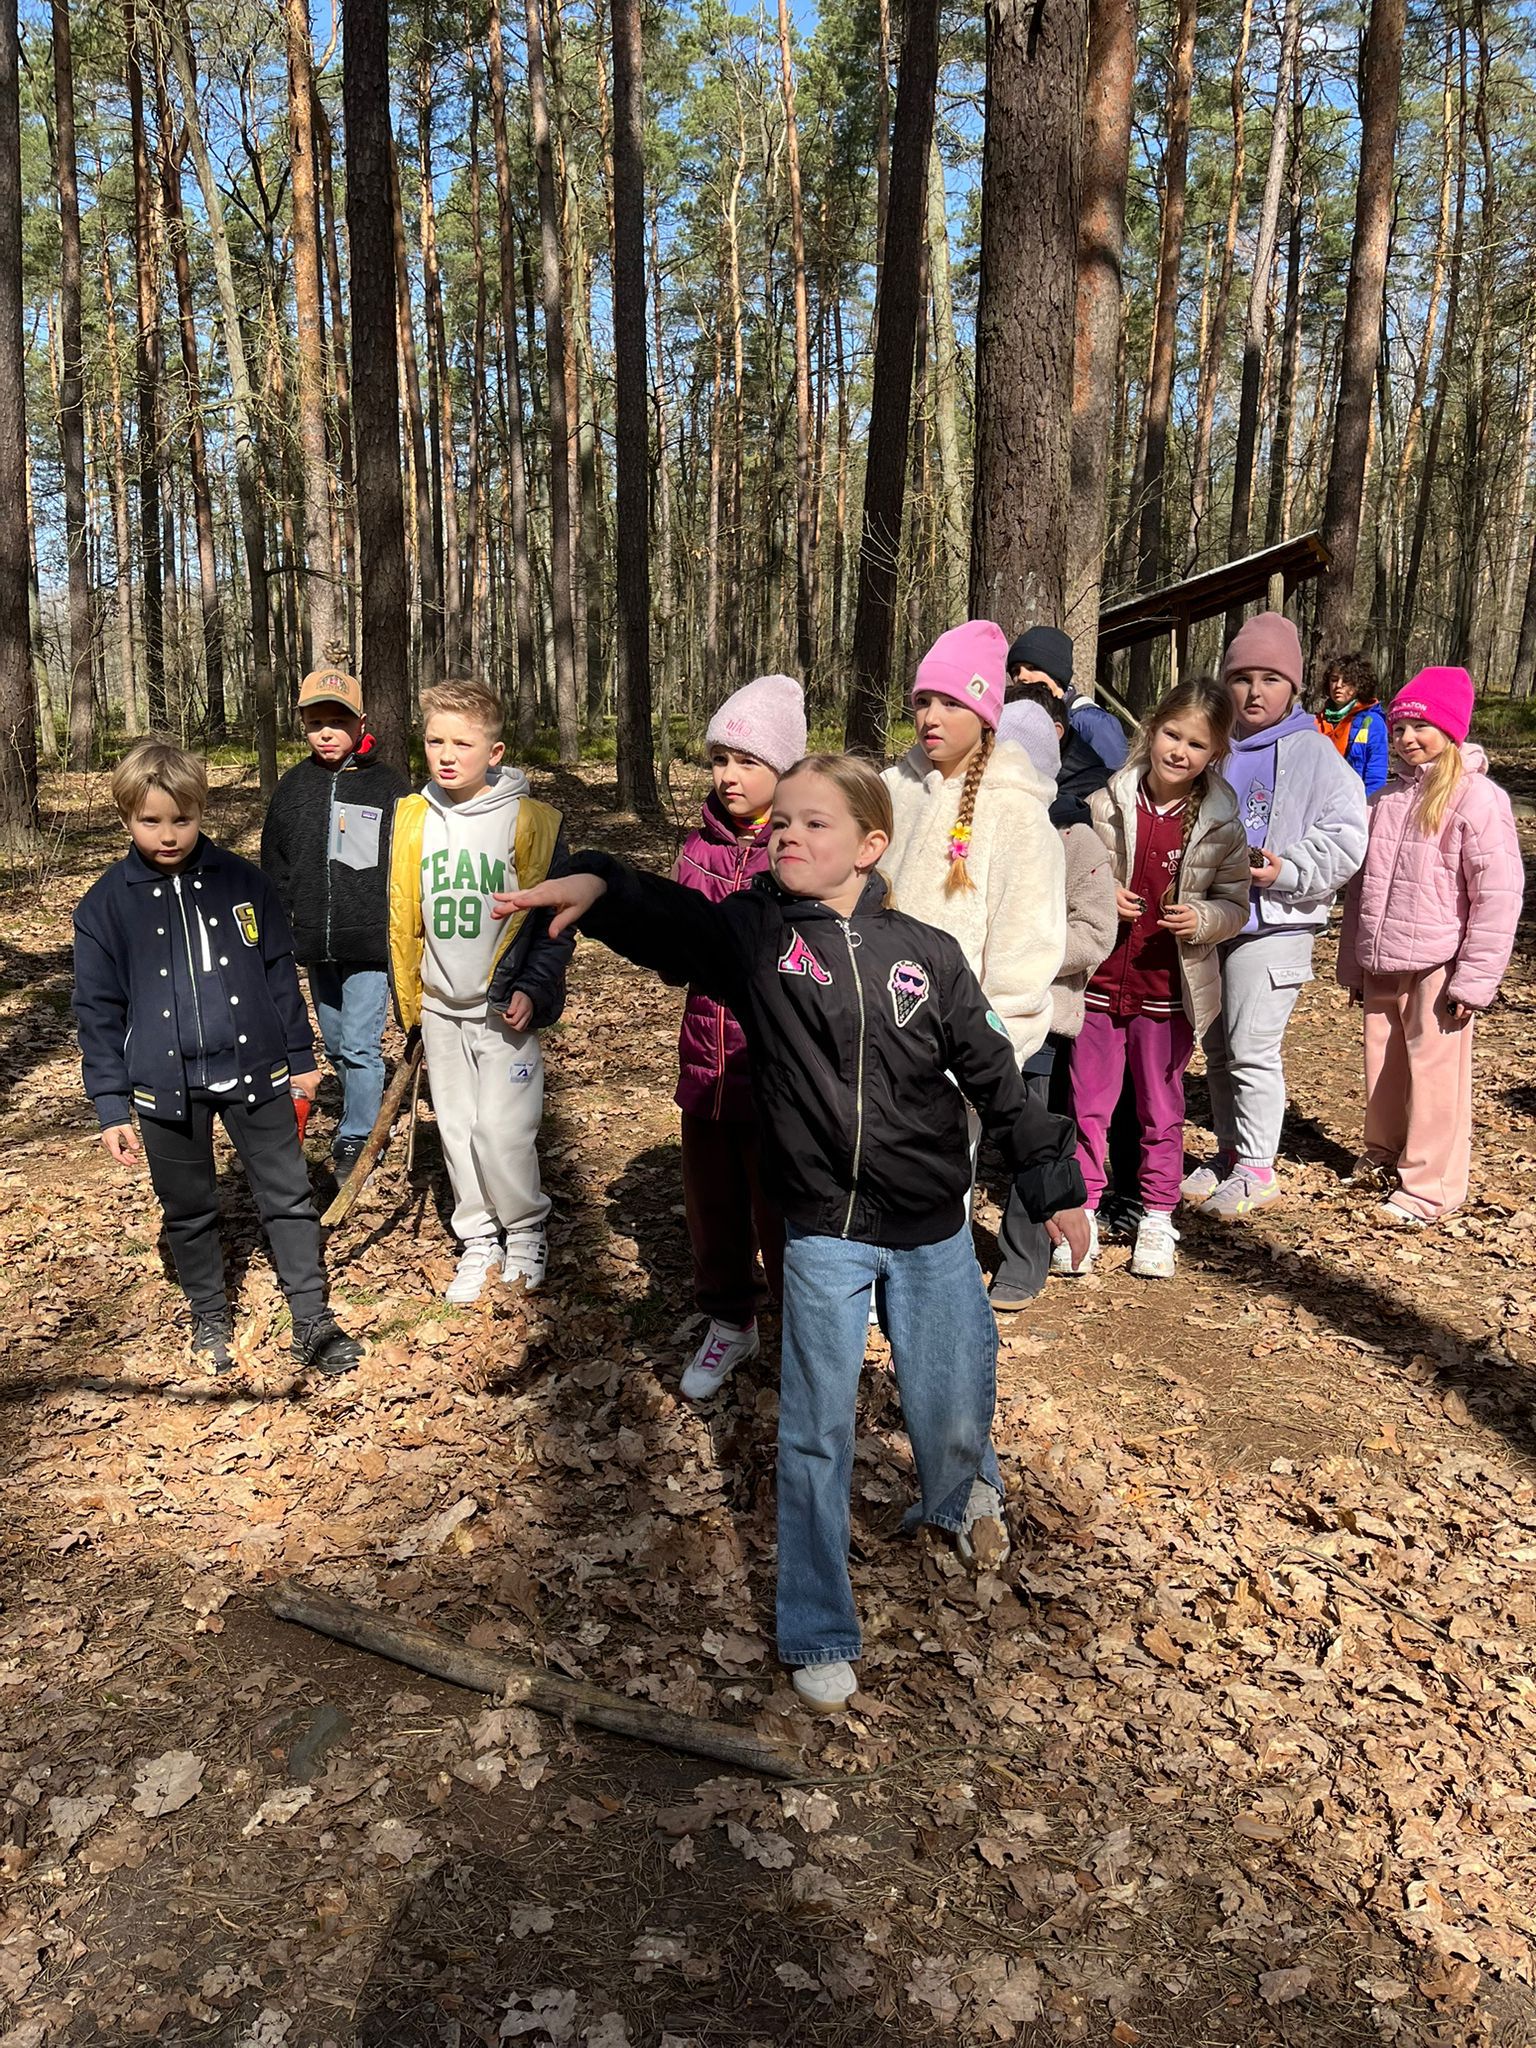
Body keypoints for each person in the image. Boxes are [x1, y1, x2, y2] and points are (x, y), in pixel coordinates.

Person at [498, 754, 1090, 1716]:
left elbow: (993, 1072)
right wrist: (602, 884)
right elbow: (675, 920)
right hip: (820, 1232)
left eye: (816, 824)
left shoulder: (927, 952)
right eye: (783, 824)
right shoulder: (754, 934)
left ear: (870, 845)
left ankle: (958, 1494)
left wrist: (1053, 1182)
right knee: (816, 1433)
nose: (788, 837)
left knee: (951, 1400)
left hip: (932, 1230)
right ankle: (817, 1626)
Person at [72, 739, 362, 1376]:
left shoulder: (243, 881)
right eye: (150, 821)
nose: (168, 834)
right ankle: (209, 1316)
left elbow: (279, 971)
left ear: (201, 811)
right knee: (188, 1207)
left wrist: (300, 1055)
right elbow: (97, 1009)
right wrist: (111, 1104)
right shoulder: (105, 905)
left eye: (182, 819)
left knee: (288, 1195)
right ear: (126, 817)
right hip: (163, 1084)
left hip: (256, 1069)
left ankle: (311, 1318)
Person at [387, 680, 572, 1304]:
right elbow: (402, 912)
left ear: (494, 752)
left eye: (462, 744)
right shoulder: (414, 818)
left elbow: (554, 923)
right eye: (434, 740)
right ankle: (478, 1238)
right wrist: (411, 998)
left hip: (503, 1008)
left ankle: (525, 1231)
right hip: (440, 1006)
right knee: (458, 1128)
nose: (446, 755)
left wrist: (536, 989)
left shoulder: (530, 821)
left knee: (502, 1128)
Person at [1181, 612, 1367, 1221]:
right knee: (1216, 1047)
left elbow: (1347, 837)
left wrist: (1285, 869)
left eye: (1271, 679)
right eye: (1242, 678)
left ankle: (1258, 1168)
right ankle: (1231, 1153)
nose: (1255, 692)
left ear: (1294, 687)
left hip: (1277, 922)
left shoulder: (1315, 752)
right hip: (1213, 921)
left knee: (1251, 1046)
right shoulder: (1212, 745)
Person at [1068, 679, 1251, 1279]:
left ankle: (1156, 1217)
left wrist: (1202, 919)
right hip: (1099, 983)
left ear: (1215, 752)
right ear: (1152, 730)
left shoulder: (1222, 823)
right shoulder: (1104, 803)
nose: (1180, 751)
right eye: (1172, 735)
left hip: (1170, 991)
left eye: (1197, 745)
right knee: (1088, 1106)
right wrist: (1101, 893)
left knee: (1160, 1111)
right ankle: (1083, 1213)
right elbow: (1073, 878)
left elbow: (1235, 905)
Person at [1337, 667, 1523, 1226]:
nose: (1407, 738)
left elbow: (1498, 895)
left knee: (1436, 1076)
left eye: (1421, 726)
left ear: (1450, 730)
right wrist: (1354, 964)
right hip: (1382, 957)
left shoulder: (1478, 799)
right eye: (1399, 728)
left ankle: (1429, 1185)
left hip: (1440, 964)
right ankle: (1383, 1155)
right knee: (1383, 1066)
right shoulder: (1384, 800)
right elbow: (1361, 889)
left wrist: (1474, 980)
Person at [672, 673, 805, 1401]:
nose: (729, 775)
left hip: (776, 1068)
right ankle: (730, 1319)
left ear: (784, 770)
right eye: (720, 759)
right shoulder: (696, 849)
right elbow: (676, 948)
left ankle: (803, 1333)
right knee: (713, 1204)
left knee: (782, 1209)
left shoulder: (795, 849)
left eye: (749, 761)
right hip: (705, 1060)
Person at [882, 621, 1065, 1076]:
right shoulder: (889, 790)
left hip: (952, 1057)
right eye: (922, 701)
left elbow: (1025, 957)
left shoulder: (1017, 812)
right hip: (870, 1037)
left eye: (951, 703)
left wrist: (985, 1061)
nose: (931, 717)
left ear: (985, 716)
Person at [988, 699, 1118, 1309]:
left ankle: (1023, 1261)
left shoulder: (1076, 839)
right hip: (968, 1016)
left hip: (1039, 1017)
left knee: (1033, 1139)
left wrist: (1026, 947)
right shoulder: (968, 832)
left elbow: (1095, 928)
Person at [260, 660, 409, 1178]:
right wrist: (279, 926)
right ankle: (359, 1108)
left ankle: (357, 1137)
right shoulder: (293, 787)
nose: (327, 733)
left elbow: (409, 860)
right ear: (303, 725)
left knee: (362, 1045)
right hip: (314, 942)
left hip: (369, 941)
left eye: (339, 722)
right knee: (336, 1043)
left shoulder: (389, 787)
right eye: (316, 723)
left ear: (361, 724)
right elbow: (275, 863)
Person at [1007, 624, 1128, 778]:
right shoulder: (1014, 719)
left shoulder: (1094, 723)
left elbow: (1116, 783)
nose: (1021, 677)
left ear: (1056, 674)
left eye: (1032, 668)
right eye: (1016, 670)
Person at [1317, 649, 1390, 795]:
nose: (1338, 685)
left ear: (1360, 685)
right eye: (1334, 679)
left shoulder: (1372, 722)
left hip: (1354, 801)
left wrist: (1367, 805)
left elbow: (1376, 776)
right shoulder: (1316, 721)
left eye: (1347, 681)